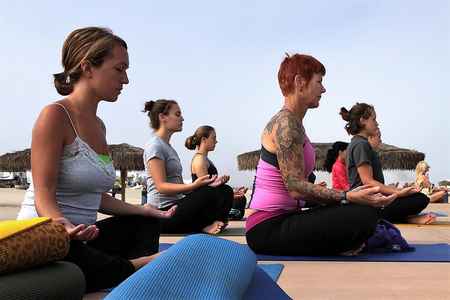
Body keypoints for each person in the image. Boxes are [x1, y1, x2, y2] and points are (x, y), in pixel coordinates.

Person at [16, 27, 175, 292]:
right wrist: (64, 226)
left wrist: (144, 210)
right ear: (88, 67)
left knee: (145, 223)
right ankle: (137, 268)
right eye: (119, 69)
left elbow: (96, 196)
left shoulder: (99, 126)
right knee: (74, 253)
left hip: (85, 238)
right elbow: (44, 195)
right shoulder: (54, 116)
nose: (125, 80)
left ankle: (124, 274)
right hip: (50, 236)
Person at [245, 54, 396, 256]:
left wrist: (348, 200)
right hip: (266, 228)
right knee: (362, 214)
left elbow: (299, 192)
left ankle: (342, 241)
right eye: (319, 82)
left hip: (286, 218)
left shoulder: (295, 123)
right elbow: (296, 187)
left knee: (363, 210)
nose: (323, 89)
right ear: (300, 82)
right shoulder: (286, 124)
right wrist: (347, 196)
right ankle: (341, 242)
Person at [143, 99, 232, 234]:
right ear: (162, 117)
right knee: (208, 192)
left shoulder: (169, 148)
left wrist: (212, 185)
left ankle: (210, 222)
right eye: (177, 114)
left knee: (224, 190)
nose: (182, 118)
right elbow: (161, 187)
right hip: (163, 212)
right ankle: (204, 225)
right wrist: (195, 186)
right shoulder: (155, 146)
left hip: (177, 205)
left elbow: (180, 188)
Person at [341, 103, 435, 224]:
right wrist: (398, 193)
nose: (377, 123)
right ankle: (400, 218)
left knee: (417, 197)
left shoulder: (360, 143)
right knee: (420, 199)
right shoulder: (361, 145)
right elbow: (367, 181)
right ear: (362, 121)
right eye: (373, 119)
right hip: (366, 203)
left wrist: (395, 191)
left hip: (371, 200)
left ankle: (402, 217)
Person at [185, 125, 246, 220]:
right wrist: (223, 185)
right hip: (204, 204)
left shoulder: (205, 159)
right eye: (213, 138)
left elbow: (211, 185)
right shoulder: (199, 160)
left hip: (211, 198)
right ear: (204, 139)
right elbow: (205, 189)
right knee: (227, 191)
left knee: (239, 198)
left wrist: (234, 193)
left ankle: (230, 212)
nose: (216, 141)